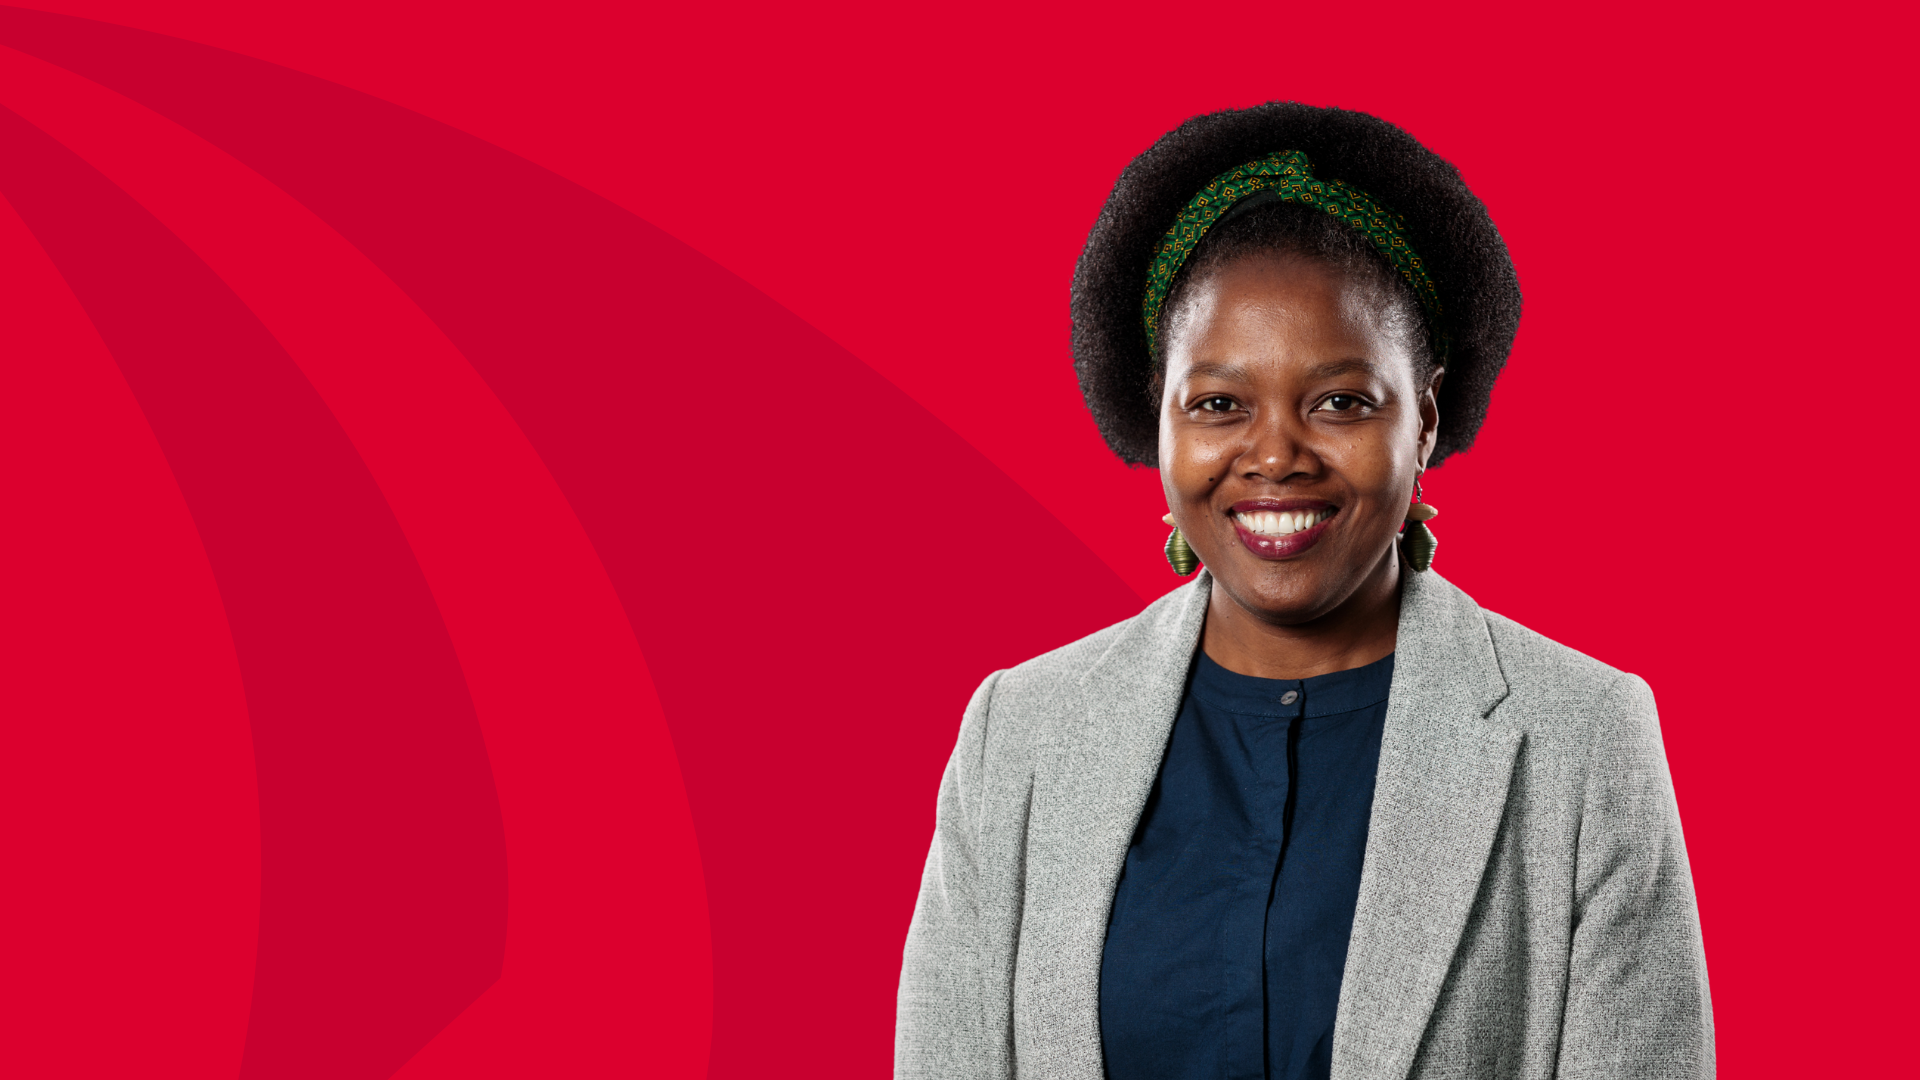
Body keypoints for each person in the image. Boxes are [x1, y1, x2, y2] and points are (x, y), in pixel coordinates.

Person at [894, 103, 1712, 1080]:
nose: (1276, 455)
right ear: (1161, 420)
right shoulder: (1018, 737)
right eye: (1218, 404)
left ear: (1424, 419)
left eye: (1340, 402)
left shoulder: (1582, 740)